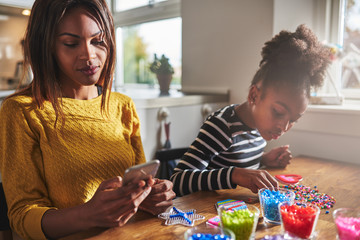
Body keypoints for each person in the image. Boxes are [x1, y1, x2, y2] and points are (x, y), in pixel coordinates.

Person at [0, 0, 175, 239]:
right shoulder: (22, 112)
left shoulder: (122, 106)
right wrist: (89, 214)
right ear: (47, 46)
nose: (90, 55)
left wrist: (151, 196)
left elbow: (139, 190)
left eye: (98, 41)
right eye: (71, 44)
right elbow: (21, 218)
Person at [170, 25, 331, 197]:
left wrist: (263, 159)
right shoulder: (221, 127)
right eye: (278, 112)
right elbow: (177, 182)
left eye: (293, 120)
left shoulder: (260, 127)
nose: (284, 127)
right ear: (254, 95)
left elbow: (235, 158)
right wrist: (235, 175)